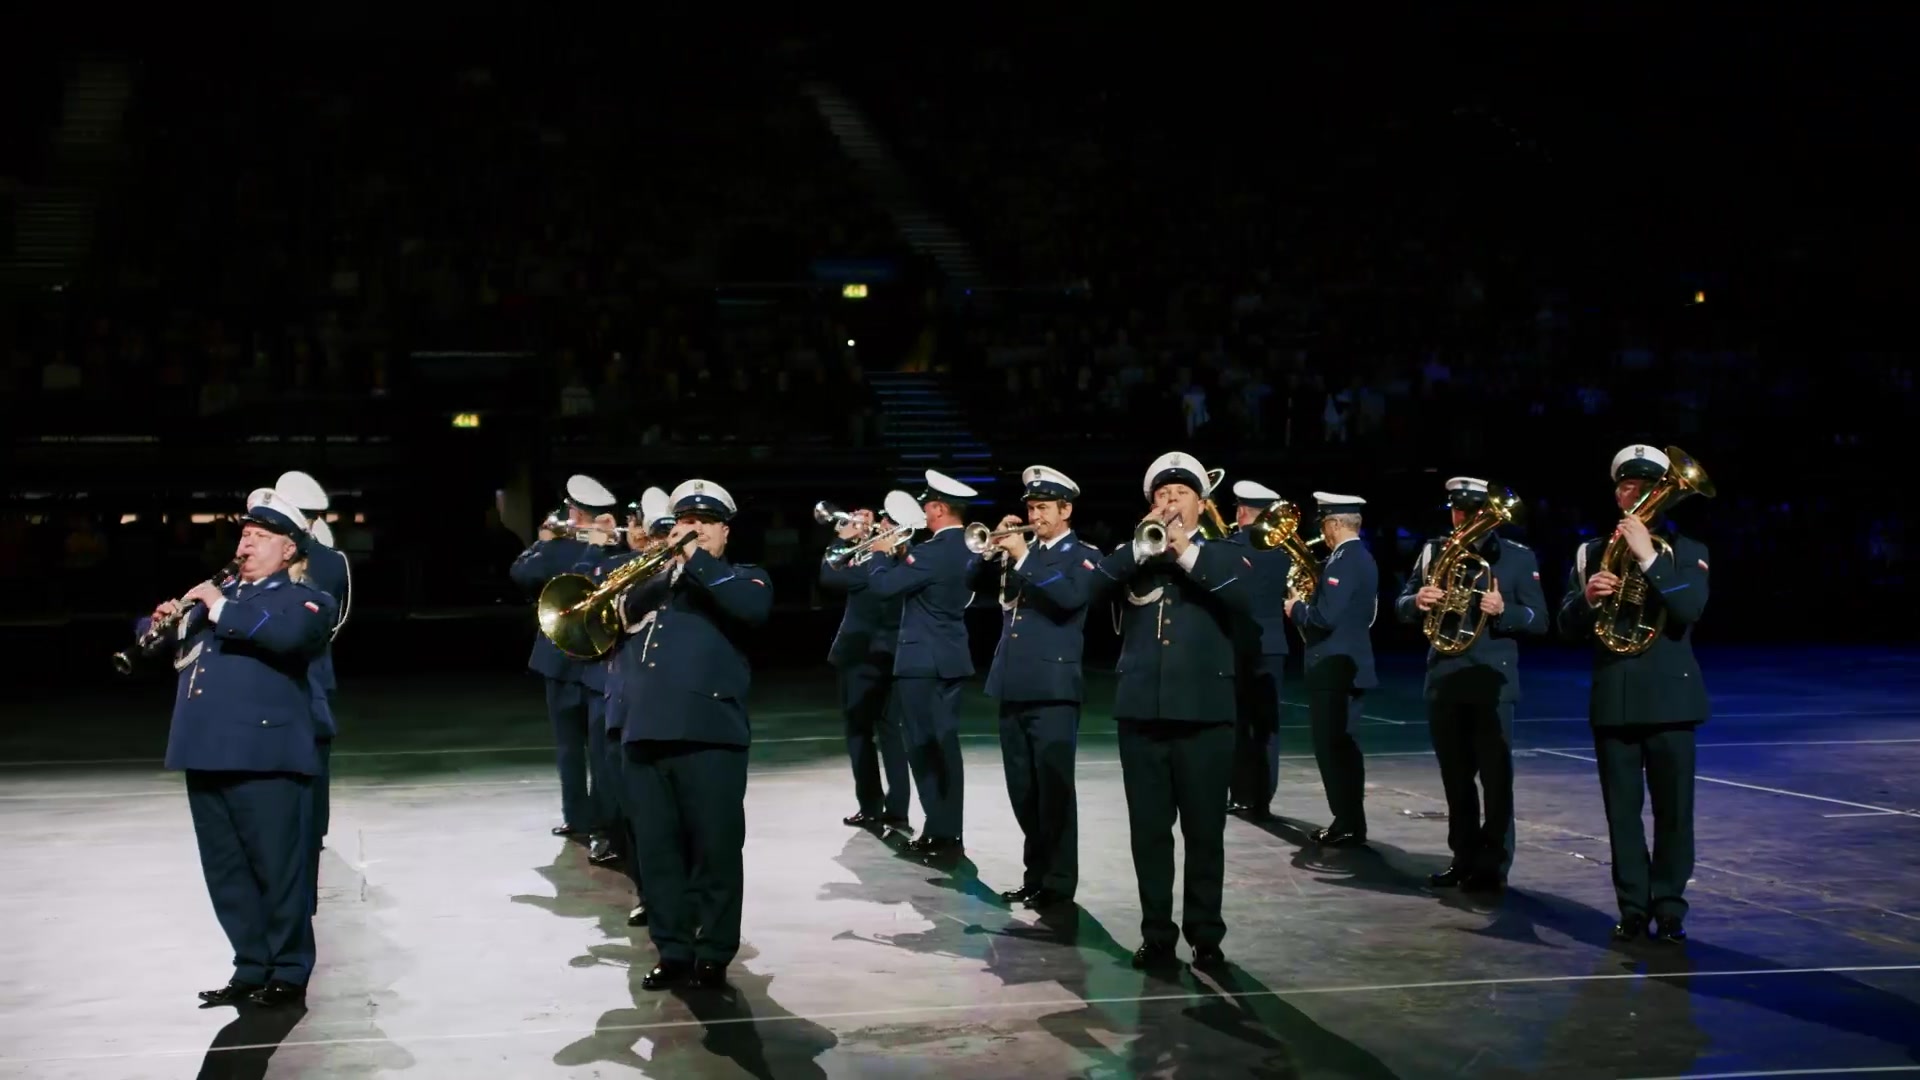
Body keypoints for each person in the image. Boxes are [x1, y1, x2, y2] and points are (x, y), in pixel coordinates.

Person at [147, 488, 337, 1008]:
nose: (247, 543)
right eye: (245, 534)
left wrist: (216, 605)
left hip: (265, 752)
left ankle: (289, 969)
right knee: (227, 872)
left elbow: (286, 635)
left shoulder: (304, 599)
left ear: (290, 550)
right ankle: (250, 965)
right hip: (204, 748)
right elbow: (168, 644)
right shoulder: (219, 598)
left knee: (278, 868)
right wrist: (163, 619)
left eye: (261, 536)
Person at [1093, 452, 1252, 969]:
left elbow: (1246, 598)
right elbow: (1089, 586)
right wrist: (1138, 544)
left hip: (1206, 718)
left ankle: (1206, 934)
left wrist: (1182, 547)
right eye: (1160, 496)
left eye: (1180, 494)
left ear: (1202, 505)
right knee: (1149, 834)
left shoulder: (1228, 555)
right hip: (1142, 715)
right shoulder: (1135, 555)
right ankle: (1156, 934)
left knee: (1205, 834)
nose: (1168, 503)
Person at [615, 479, 772, 990]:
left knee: (717, 849)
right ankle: (674, 949)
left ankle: (714, 951)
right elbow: (614, 621)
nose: (695, 529)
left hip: (711, 734)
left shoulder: (745, 578)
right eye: (686, 521)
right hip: (645, 730)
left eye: (705, 522)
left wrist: (695, 561)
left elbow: (751, 612)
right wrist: (663, 569)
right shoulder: (655, 582)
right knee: (657, 853)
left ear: (725, 531)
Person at [1557, 444, 1711, 943]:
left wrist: (1646, 556)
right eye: (1627, 487)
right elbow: (1565, 626)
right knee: (1621, 814)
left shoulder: (1688, 551)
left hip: (1671, 700)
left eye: (1647, 490)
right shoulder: (1590, 552)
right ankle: (1632, 907)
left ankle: (1669, 907)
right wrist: (1586, 599)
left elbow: (1688, 612)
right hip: (1615, 697)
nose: (1636, 496)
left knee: (1673, 812)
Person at [1396, 476, 1548, 890]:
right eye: (1457, 510)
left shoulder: (1517, 558)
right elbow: (1402, 602)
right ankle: (1463, 856)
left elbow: (1540, 619)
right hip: (1444, 676)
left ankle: (1493, 865)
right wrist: (1417, 601)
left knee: (1496, 779)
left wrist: (1504, 610)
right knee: (1456, 777)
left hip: (1491, 682)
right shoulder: (1434, 550)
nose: (1462, 517)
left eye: (1471, 510)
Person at [969, 465, 1096, 910]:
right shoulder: (1020, 553)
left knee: (1054, 789)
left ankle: (1059, 881)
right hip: (1012, 681)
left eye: (1043, 507)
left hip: (1053, 685)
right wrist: (988, 554)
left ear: (1066, 509)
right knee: (1022, 788)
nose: (1034, 514)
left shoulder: (1082, 555)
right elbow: (967, 586)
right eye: (1031, 507)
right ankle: (1035, 873)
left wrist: (1023, 555)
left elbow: (1069, 600)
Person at [855, 469, 979, 856]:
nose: (923, 514)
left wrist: (878, 555)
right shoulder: (967, 547)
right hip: (950, 656)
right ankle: (945, 829)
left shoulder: (933, 551)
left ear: (939, 509)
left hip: (922, 659)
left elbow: (883, 587)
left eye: (927, 507)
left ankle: (943, 833)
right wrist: (901, 555)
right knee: (943, 746)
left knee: (925, 748)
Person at [509, 475, 622, 840]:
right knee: (600, 747)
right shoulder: (617, 547)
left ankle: (577, 818)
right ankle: (602, 821)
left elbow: (520, 572)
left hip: (561, 659)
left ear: (574, 511)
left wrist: (540, 543)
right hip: (602, 657)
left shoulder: (558, 547)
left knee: (570, 747)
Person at [1285, 492, 1379, 847]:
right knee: (1343, 748)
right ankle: (1350, 820)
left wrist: (1296, 608)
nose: (1322, 531)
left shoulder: (1343, 561)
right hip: (1346, 667)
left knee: (1333, 749)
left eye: (1324, 523)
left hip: (1334, 669)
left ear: (1336, 524)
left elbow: (1325, 617)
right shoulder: (1359, 557)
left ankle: (1348, 822)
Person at [274, 470, 349, 900]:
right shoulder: (334, 559)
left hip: (284, 669)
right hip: (319, 669)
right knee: (317, 762)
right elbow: (337, 621)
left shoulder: (277, 554)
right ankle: (315, 834)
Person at [594, 486, 667, 923]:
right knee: (633, 814)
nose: (653, 540)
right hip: (624, 706)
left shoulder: (689, 577)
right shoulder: (620, 569)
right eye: (647, 529)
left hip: (670, 709)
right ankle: (647, 892)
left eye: (662, 531)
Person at [818, 502, 911, 831]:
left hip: (862, 655)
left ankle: (871, 807)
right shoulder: (907, 564)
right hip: (896, 655)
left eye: (882, 519)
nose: (875, 522)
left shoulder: (874, 564)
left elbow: (829, 574)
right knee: (891, 732)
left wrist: (842, 540)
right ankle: (898, 808)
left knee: (859, 733)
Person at [1223, 478, 1293, 821]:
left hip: (1238, 643)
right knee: (1268, 726)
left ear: (1242, 511)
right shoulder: (1284, 549)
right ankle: (1264, 797)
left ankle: (1241, 793)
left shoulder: (1232, 545)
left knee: (1238, 722)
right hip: (1274, 645)